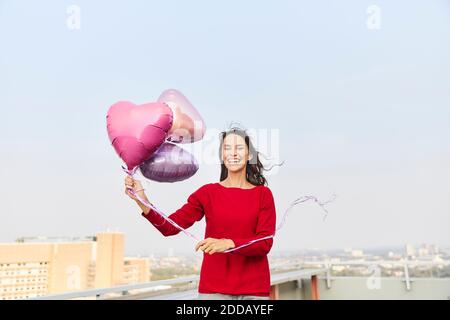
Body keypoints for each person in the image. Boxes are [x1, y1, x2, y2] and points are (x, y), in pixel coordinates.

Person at [125, 127, 276, 300]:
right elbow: (169, 227)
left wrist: (229, 243)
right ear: (221, 156)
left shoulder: (263, 195)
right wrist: (141, 199)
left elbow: (264, 243)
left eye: (239, 148)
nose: (233, 153)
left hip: (254, 290)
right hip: (213, 290)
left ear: (249, 155)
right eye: (227, 148)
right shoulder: (207, 193)